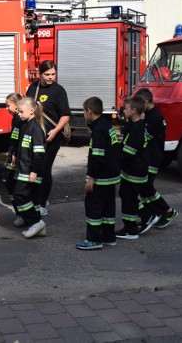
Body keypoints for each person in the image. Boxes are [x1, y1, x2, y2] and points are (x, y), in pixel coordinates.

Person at [25, 60, 71, 215]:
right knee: (34, 168)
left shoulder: (59, 91)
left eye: (53, 74)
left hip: (52, 137)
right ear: (40, 73)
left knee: (44, 169)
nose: (51, 77)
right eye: (47, 74)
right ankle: (35, 198)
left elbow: (65, 115)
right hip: (35, 136)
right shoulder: (33, 88)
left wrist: (55, 131)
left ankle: (42, 203)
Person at [76, 97, 121, 250]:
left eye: (84, 111)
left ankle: (94, 239)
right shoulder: (106, 125)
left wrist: (91, 178)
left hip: (100, 177)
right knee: (108, 206)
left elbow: (97, 157)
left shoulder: (98, 130)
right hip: (111, 176)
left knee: (93, 205)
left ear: (89, 111)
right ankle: (109, 236)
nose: (84, 114)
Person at [133, 88, 178, 233]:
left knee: (146, 188)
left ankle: (167, 211)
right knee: (144, 189)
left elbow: (144, 137)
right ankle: (153, 214)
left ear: (146, 102)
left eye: (140, 103)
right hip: (146, 158)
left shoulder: (156, 118)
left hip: (152, 159)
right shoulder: (148, 115)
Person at [13, 97, 47, 239]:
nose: (19, 114)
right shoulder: (25, 125)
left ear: (31, 111)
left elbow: (38, 153)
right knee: (28, 197)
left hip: (30, 170)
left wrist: (33, 171)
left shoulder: (36, 128)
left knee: (19, 194)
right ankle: (36, 225)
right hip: (23, 168)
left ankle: (36, 222)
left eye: (21, 111)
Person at [116, 95, 149, 240]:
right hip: (132, 170)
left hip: (134, 170)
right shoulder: (136, 125)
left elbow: (128, 152)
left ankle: (130, 229)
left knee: (128, 198)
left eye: (126, 108)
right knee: (126, 195)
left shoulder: (137, 130)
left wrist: (113, 158)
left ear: (134, 110)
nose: (124, 110)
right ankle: (145, 215)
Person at [4, 93, 25, 227]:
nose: (6, 108)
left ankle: (23, 214)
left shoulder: (20, 120)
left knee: (14, 187)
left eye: (8, 105)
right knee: (10, 185)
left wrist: (15, 155)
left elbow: (19, 140)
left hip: (17, 159)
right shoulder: (15, 119)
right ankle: (20, 213)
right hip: (13, 156)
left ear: (17, 106)